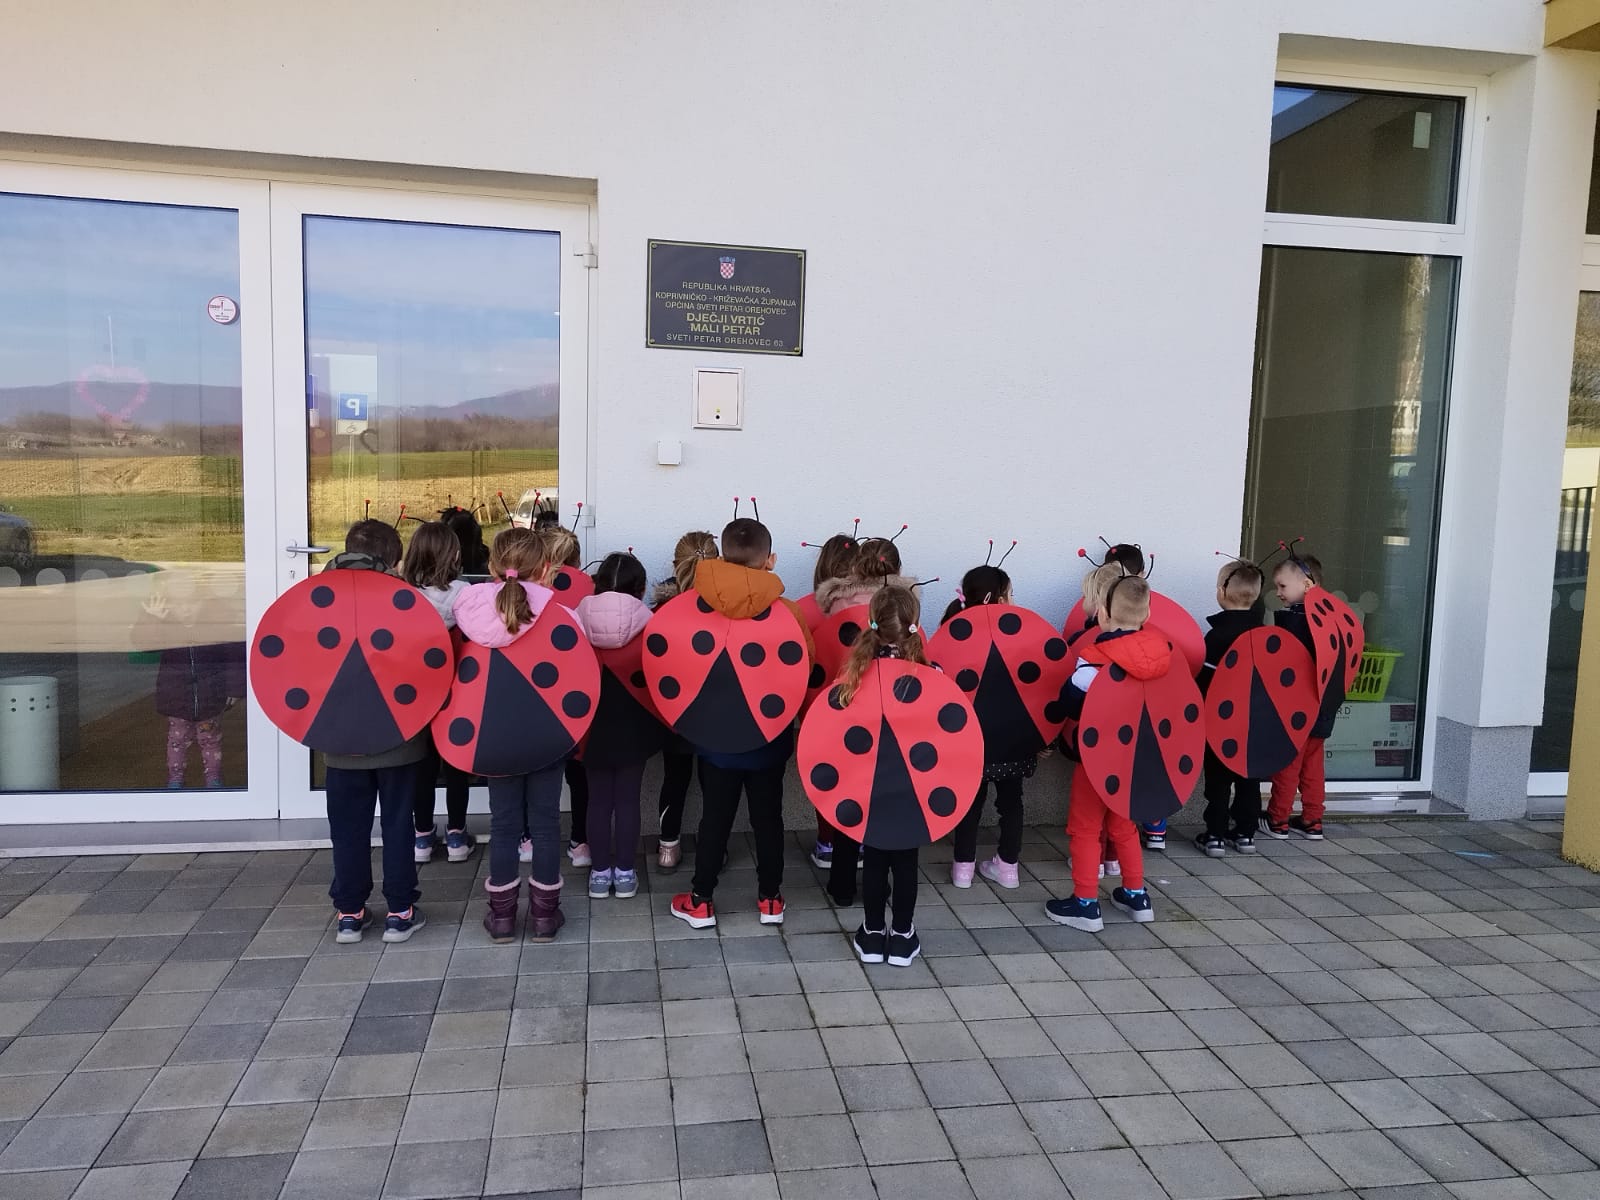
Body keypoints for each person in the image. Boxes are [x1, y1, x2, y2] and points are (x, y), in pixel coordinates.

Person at [670, 516, 813, 929]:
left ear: (722, 557)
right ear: (770, 561)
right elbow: (805, 666)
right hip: (769, 735)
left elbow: (679, 664)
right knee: (769, 819)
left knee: (714, 819)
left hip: (714, 738)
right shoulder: (788, 612)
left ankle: (701, 901)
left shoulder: (695, 604)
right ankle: (771, 900)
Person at [454, 527, 570, 943]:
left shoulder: (467, 614)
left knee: (503, 825)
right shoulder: (561, 614)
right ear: (546, 567)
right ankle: (544, 916)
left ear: (491, 565)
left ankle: (501, 918)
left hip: (492, 734)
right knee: (545, 823)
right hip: (547, 734)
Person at [321, 519, 426, 944]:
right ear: (394, 558)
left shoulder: (317, 597)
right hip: (398, 737)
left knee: (347, 828)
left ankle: (349, 912)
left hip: (339, 738)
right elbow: (424, 660)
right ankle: (400, 912)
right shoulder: (404, 598)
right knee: (399, 825)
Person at [1046, 572, 1164, 933]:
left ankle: (1085, 903)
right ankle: (1136, 895)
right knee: (1124, 825)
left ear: (1102, 614)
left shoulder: (1094, 660)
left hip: (1096, 759)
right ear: (1146, 615)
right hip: (1137, 759)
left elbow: (1069, 704)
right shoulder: (1163, 656)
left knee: (1085, 827)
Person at [834, 585, 929, 967]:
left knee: (874, 860)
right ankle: (903, 937)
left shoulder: (854, 675)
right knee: (905, 863)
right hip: (913, 788)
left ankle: (873, 935)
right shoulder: (931, 675)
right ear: (914, 624)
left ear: (871, 622)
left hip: (868, 785)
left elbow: (837, 727)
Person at [812, 544, 915, 894]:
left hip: (848, 725)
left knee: (849, 802)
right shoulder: (903, 606)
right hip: (895, 736)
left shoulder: (836, 604)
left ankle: (841, 886)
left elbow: (827, 662)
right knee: (882, 810)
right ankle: (877, 888)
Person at [575, 552, 665, 899]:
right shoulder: (650, 624)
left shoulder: (576, 621)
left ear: (597, 586)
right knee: (628, 800)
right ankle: (625, 873)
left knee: (597, 800)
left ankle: (599, 874)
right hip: (635, 725)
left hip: (589, 724)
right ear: (640, 590)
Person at [943, 563, 1035, 890]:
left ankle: (963, 868)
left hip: (971, 738)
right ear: (995, 599)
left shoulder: (954, 631)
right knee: (1011, 803)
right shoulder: (1020, 634)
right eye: (1009, 594)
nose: (1012, 601)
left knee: (970, 803)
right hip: (1013, 738)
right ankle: (1008, 868)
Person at [401, 521, 477, 864]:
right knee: (456, 761)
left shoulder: (403, 595)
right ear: (454, 555)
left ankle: (421, 836)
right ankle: (457, 834)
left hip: (416, 691)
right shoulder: (464, 593)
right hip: (457, 688)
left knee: (423, 764)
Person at [648, 530, 718, 871]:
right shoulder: (726, 603)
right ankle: (713, 849)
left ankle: (668, 848)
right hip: (714, 709)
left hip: (672, 709)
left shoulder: (663, 607)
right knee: (713, 784)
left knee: (674, 779)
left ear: (676, 563)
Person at [136, 579, 245, 790]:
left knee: (210, 740)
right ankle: (175, 779)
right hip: (177, 696)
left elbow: (234, 655)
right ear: (170, 606)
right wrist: (152, 619)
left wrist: (234, 688)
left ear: (203, 604)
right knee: (177, 741)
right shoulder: (165, 625)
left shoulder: (214, 626)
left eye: (192, 604)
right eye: (178, 605)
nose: (185, 609)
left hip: (210, 695)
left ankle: (213, 779)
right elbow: (144, 643)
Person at [1265, 553, 1342, 840]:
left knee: (1288, 764)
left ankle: (1278, 819)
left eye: (1283, 586)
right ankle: (1313, 819)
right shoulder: (1334, 619)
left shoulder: (1295, 622)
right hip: (1325, 708)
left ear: (1307, 585)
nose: (1278, 592)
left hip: (1297, 709)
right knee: (1313, 767)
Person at [1195, 560, 1266, 857]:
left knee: (1219, 780)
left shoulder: (1216, 637)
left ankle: (1215, 835)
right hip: (1254, 722)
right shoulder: (1264, 634)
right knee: (1249, 779)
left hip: (1220, 722)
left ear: (1222, 592)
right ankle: (1246, 834)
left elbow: (1205, 683)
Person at [537, 525, 592, 867]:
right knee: (579, 773)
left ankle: (530, 839)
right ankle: (580, 841)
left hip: (535, 694)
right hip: (577, 693)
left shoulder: (527, 589)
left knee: (538, 773)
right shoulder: (588, 589)